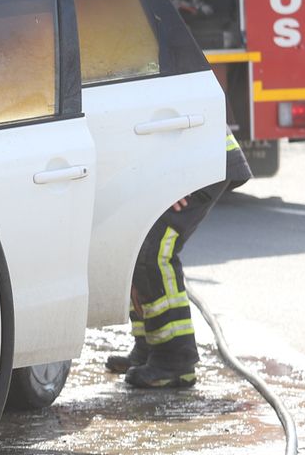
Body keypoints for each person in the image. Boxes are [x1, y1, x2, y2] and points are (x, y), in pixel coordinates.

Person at [107, 132, 253, 388]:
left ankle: (174, 360)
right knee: (133, 248)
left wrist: (178, 179)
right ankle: (148, 348)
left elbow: (174, 122)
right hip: (178, 161)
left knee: (152, 252)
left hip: (199, 159)